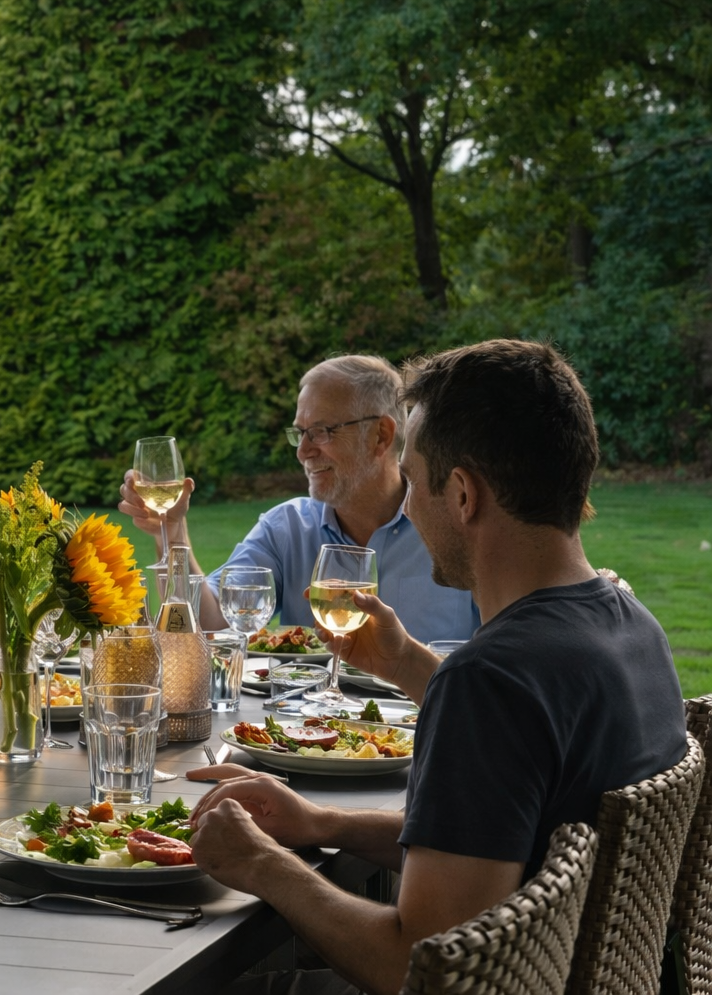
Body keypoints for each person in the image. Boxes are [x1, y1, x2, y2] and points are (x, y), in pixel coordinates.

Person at [186, 339, 686, 995]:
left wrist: (263, 866)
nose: (408, 506)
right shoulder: (630, 629)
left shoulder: (490, 682)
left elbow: (415, 966)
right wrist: (323, 824)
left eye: (414, 480)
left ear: (462, 495)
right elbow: (494, 840)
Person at [120, 354, 480, 642]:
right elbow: (209, 623)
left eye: (321, 432)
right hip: (305, 729)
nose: (303, 451)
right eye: (300, 433)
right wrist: (173, 532)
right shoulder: (286, 528)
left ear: (381, 436)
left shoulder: (454, 528)